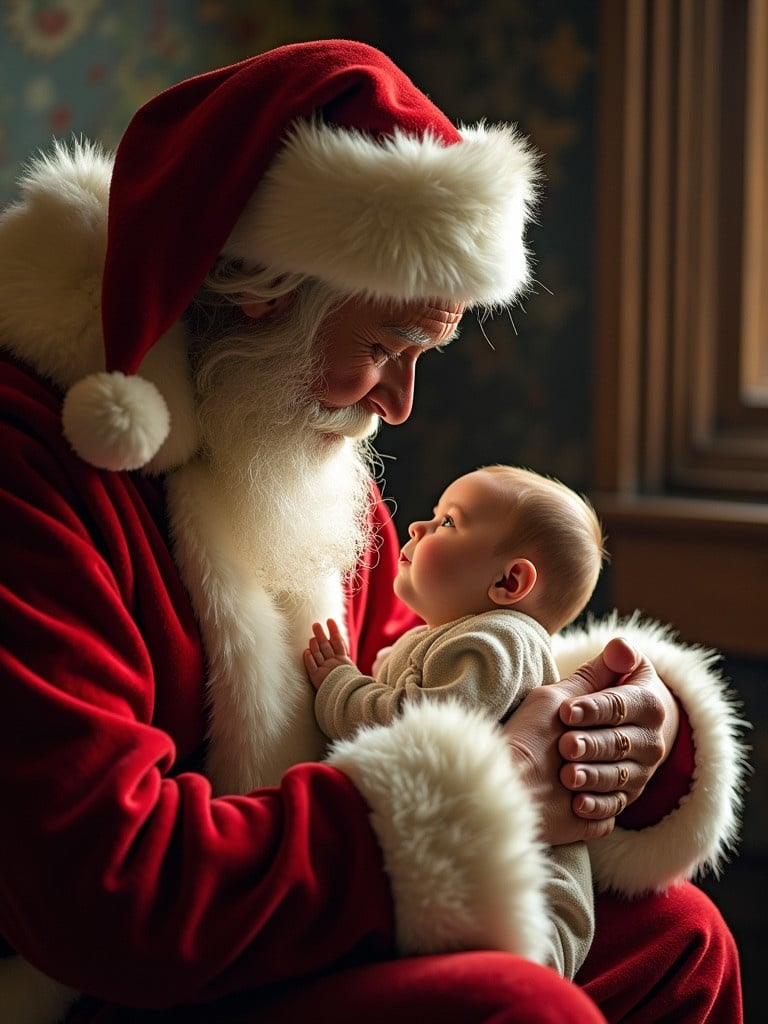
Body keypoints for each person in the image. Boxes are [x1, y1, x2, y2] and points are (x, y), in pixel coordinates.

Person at [0, 39, 747, 1024]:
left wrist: (597, 731)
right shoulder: (32, 465)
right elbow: (105, 892)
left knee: (682, 940)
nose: (398, 404)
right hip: (97, 982)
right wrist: (481, 788)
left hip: (281, 920)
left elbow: (409, 671)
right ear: (258, 297)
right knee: (520, 1007)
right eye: (387, 347)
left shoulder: (286, 447)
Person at [305, 464, 607, 980]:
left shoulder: (498, 642)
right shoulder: (451, 634)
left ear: (509, 581)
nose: (419, 528)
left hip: (534, 877)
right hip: (471, 862)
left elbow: (420, 727)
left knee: (528, 969)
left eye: (448, 522)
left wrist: (340, 686)